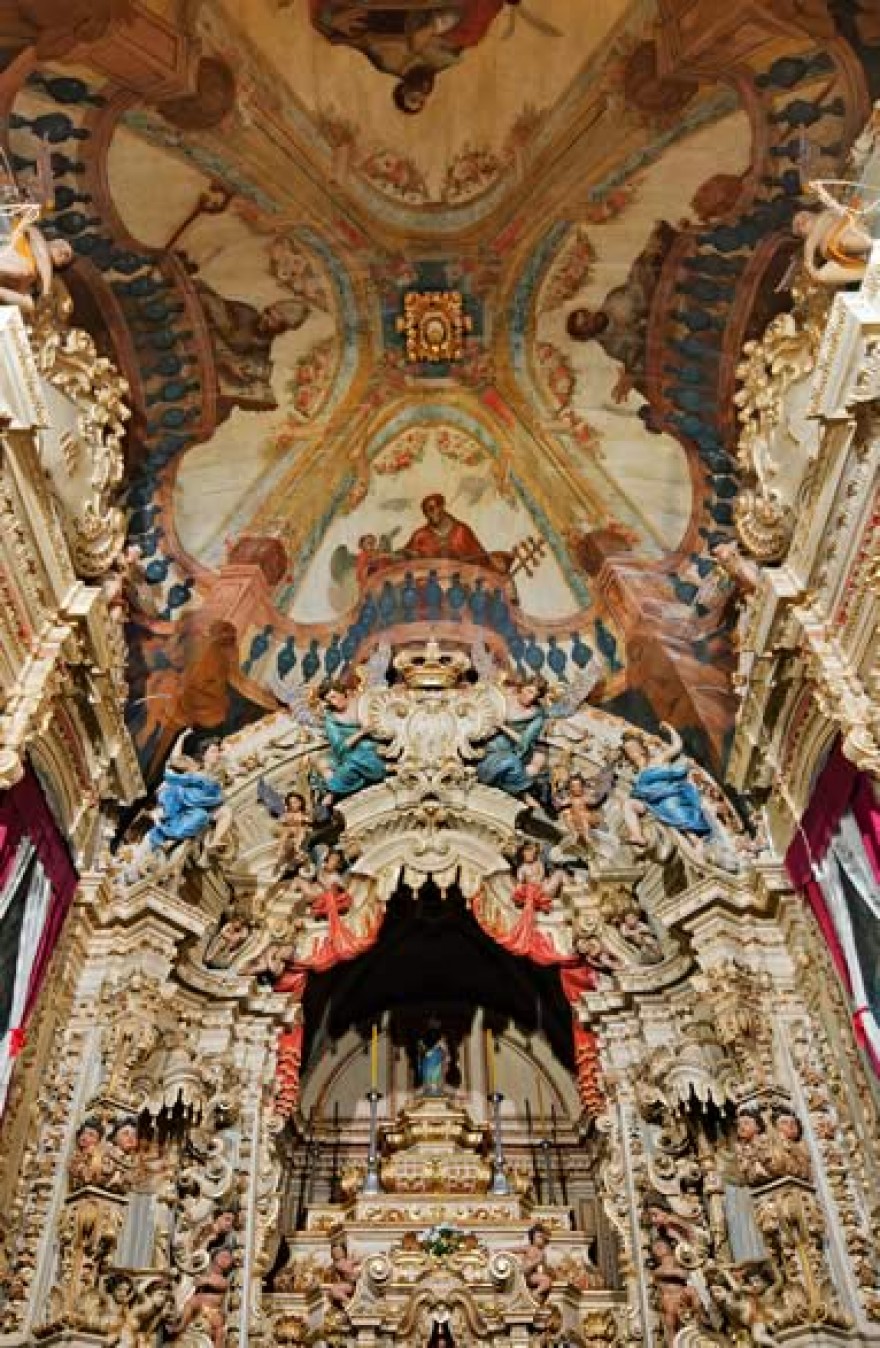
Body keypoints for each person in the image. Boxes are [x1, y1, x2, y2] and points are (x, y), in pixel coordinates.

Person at [620, 725, 712, 860]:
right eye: (628, 751)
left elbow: (677, 746)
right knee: (628, 804)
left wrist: (670, 729)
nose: (632, 752)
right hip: (652, 804)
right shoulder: (637, 775)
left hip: (668, 798)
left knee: (686, 828)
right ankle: (637, 835)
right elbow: (641, 793)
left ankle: (698, 848)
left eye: (633, 748)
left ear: (641, 749)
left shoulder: (658, 760)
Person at [401, 494, 508, 570]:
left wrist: (494, 563)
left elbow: (480, 556)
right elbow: (404, 555)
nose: (430, 514)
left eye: (433, 508)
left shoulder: (462, 531)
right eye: (427, 512)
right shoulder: (420, 536)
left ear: (442, 507)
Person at [520, 1224, 553, 1300]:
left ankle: (534, 1294)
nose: (541, 1239)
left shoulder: (542, 1253)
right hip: (523, 1273)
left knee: (547, 1281)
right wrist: (501, 1250)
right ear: (532, 1238)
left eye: (542, 1237)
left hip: (532, 1276)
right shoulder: (528, 1248)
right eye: (539, 1237)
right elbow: (514, 1249)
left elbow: (543, 1268)